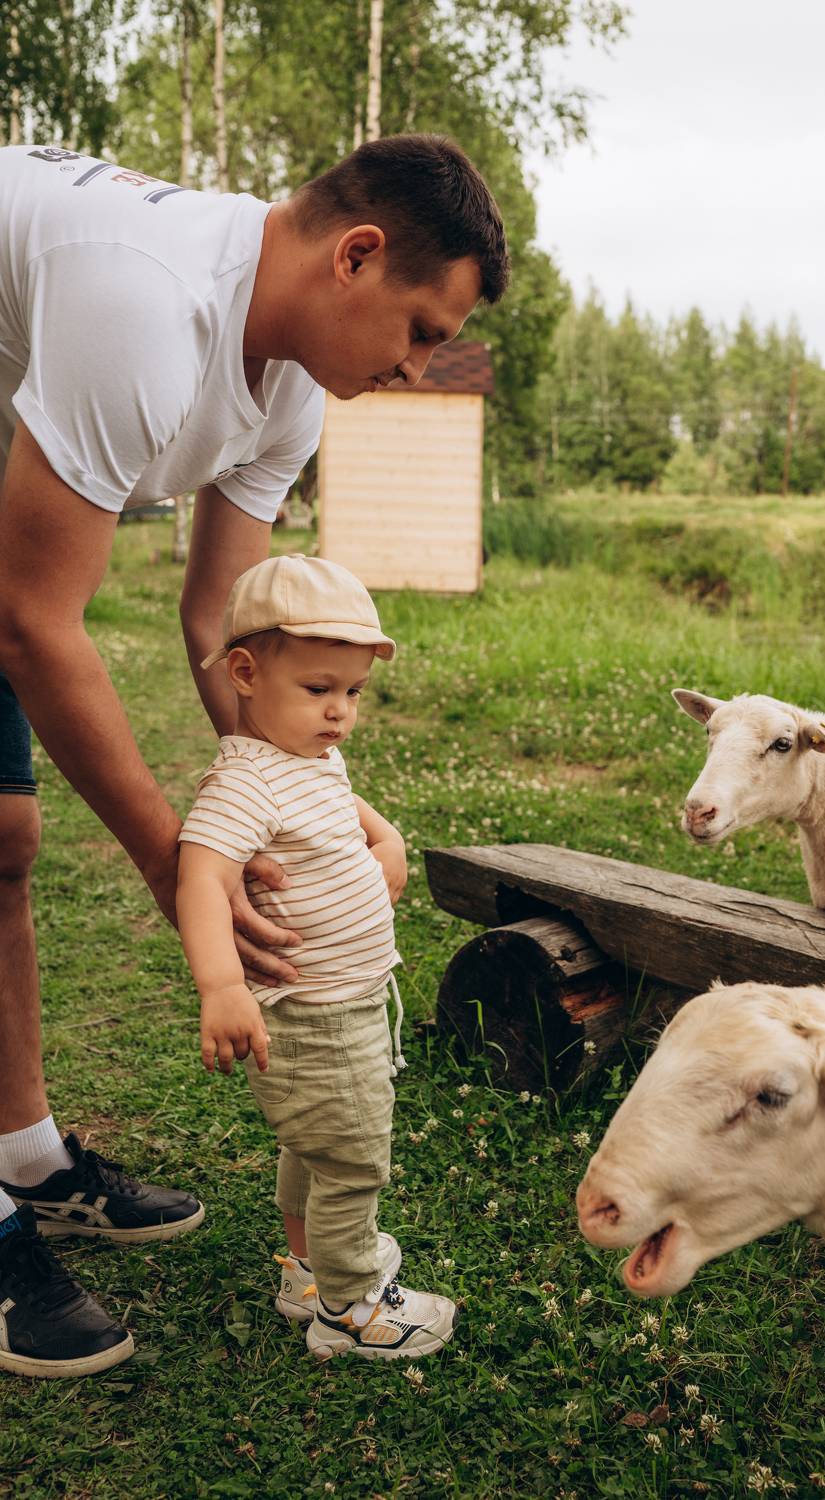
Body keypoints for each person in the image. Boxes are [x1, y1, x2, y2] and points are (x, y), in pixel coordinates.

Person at [0, 133, 508, 1376]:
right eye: (420, 330)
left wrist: (296, 810)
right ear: (356, 255)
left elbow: (225, 632)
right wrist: (180, 863)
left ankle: (25, 1160)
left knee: (5, 839)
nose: (417, 367)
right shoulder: (144, 303)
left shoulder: (291, 385)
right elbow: (34, 619)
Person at [177, 552, 455, 1359]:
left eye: (353, 692)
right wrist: (220, 984)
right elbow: (201, 877)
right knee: (352, 1161)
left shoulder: (307, 756)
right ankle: (351, 1307)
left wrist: (386, 837)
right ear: (245, 673)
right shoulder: (244, 783)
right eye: (318, 688)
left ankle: (306, 1270)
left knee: (314, 1147)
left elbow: (342, 803)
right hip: (315, 1014)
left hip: (348, 999)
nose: (339, 711)